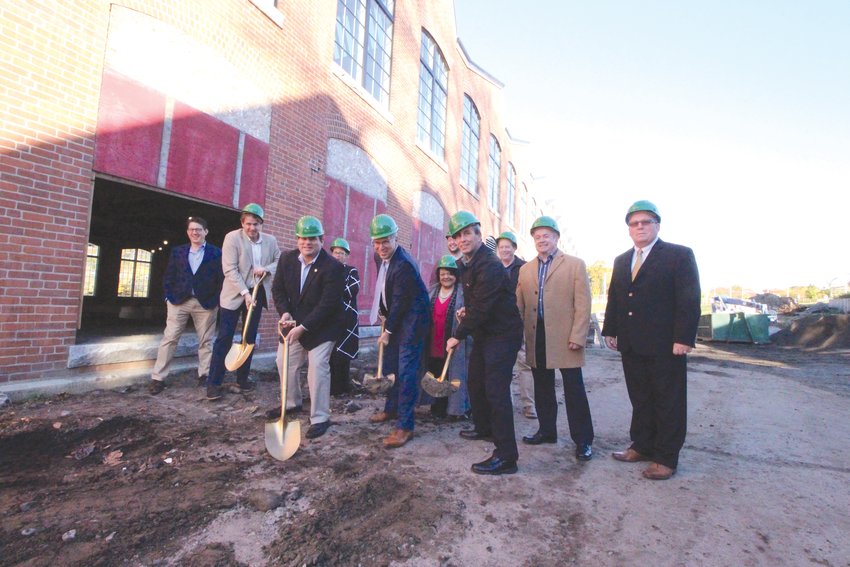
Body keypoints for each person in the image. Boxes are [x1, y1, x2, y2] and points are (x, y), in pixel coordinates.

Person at [602, 200, 701, 480]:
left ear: (657, 225)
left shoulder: (678, 256)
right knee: (641, 398)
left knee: (668, 400)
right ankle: (642, 445)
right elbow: (616, 298)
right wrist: (610, 330)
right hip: (632, 344)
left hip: (665, 345)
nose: (640, 227)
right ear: (629, 229)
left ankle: (666, 457)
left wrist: (684, 338)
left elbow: (689, 299)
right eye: (635, 223)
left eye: (646, 222)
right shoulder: (622, 260)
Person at [446, 211, 523, 475]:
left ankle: (506, 456)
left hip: (502, 335)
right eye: (458, 235)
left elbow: (484, 307)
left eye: (468, 233)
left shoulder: (488, 264)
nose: (463, 239)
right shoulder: (469, 263)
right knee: (476, 381)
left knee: (496, 390)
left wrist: (458, 333)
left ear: (479, 234)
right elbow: (478, 304)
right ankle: (485, 427)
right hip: (486, 333)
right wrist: (467, 312)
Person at [516, 216, 595, 461]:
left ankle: (582, 440)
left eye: (546, 235)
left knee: (574, 389)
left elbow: (583, 303)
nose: (542, 239)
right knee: (542, 387)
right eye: (537, 236)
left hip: (566, 337)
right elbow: (518, 305)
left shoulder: (574, 265)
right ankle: (547, 431)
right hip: (536, 335)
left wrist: (578, 335)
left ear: (556, 238)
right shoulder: (525, 269)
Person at [271, 216, 346, 439]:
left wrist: (303, 327)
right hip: (294, 323)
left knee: (317, 368)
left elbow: (327, 304)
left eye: (312, 238)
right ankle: (292, 403)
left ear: (321, 240)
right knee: (284, 362)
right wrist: (284, 312)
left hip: (324, 326)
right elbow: (278, 291)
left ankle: (320, 417)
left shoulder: (332, 267)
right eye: (303, 238)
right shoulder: (286, 259)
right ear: (297, 239)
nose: (307, 243)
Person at [367, 214, 431, 449]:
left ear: (396, 238)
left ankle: (405, 427)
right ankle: (391, 410)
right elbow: (386, 288)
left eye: (386, 241)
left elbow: (401, 301)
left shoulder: (404, 264)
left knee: (405, 372)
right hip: (396, 316)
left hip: (413, 322)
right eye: (377, 242)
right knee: (390, 367)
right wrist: (385, 317)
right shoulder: (380, 257)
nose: (381, 247)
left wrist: (388, 329)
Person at [206, 203, 280, 401]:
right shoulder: (232, 238)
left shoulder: (271, 241)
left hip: (257, 294)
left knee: (249, 338)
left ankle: (242, 379)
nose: (252, 228)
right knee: (225, 337)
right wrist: (245, 293)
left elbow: (278, 260)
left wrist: (266, 268)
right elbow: (229, 269)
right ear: (242, 223)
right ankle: (214, 383)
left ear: (262, 224)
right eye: (248, 224)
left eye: (256, 224)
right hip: (234, 294)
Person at [149, 217, 223, 395]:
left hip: (205, 303)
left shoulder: (216, 253)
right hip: (178, 302)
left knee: (206, 341)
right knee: (170, 338)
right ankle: (158, 378)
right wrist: (168, 296)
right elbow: (168, 275)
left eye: (198, 229)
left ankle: (204, 376)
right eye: (191, 230)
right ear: (188, 232)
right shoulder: (178, 252)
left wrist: (217, 300)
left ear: (206, 231)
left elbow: (222, 279)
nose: (195, 232)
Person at [421, 255, 470, 419]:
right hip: (434, 340)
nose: (446, 277)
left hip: (453, 341)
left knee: (453, 373)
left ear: (456, 275)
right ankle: (437, 407)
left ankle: (455, 409)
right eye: (442, 273)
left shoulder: (463, 293)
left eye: (450, 273)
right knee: (435, 371)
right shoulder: (432, 291)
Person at [496, 231, 536, 419]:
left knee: (524, 364)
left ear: (514, 248)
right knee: (503, 366)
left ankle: (529, 405)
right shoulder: (493, 267)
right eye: (501, 247)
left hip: (519, 322)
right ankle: (507, 404)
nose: (504, 250)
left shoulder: (524, 268)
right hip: (498, 325)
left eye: (508, 246)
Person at [328, 238, 360, 396]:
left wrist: (332, 290)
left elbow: (352, 290)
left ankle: (343, 387)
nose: (338, 256)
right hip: (329, 318)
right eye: (335, 252)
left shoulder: (352, 271)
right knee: (330, 353)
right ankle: (332, 388)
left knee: (343, 353)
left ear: (347, 256)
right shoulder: (326, 270)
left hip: (347, 317)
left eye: (341, 253)